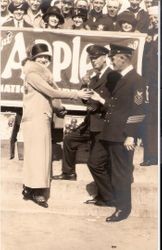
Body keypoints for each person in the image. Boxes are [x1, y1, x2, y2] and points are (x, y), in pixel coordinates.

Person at [21, 42, 92, 208]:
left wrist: (59, 109)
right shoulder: (33, 74)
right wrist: (76, 94)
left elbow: (50, 97)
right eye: (41, 57)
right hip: (36, 119)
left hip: (39, 118)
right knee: (40, 156)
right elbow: (52, 93)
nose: (44, 60)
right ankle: (38, 193)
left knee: (36, 155)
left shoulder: (42, 75)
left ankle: (29, 188)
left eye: (47, 57)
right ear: (34, 58)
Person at [89, 44, 147, 222]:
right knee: (95, 162)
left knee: (121, 173)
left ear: (123, 58)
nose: (111, 61)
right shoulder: (119, 78)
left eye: (114, 58)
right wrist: (100, 99)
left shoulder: (136, 80)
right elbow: (116, 106)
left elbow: (139, 109)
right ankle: (110, 197)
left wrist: (131, 134)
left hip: (122, 135)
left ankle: (123, 208)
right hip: (109, 132)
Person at [53, 44, 113, 203]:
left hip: (103, 122)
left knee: (96, 163)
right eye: (91, 58)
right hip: (90, 121)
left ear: (105, 57)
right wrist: (85, 85)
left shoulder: (112, 75)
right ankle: (68, 173)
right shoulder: (93, 76)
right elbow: (86, 97)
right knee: (69, 139)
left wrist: (97, 100)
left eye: (96, 58)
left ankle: (106, 196)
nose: (93, 61)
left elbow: (113, 101)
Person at [140, 5, 158, 166]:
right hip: (153, 84)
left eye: (157, 18)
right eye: (152, 18)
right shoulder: (150, 37)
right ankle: (151, 155)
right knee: (152, 118)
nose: (154, 21)